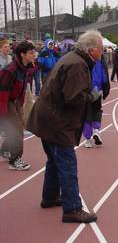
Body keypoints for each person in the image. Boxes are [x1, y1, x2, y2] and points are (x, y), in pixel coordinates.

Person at [26, 30, 103, 223]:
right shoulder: (78, 65)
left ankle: (50, 197)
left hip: (47, 118)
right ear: (92, 49)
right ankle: (72, 209)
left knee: (53, 160)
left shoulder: (72, 58)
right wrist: (91, 96)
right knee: (67, 164)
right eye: (101, 49)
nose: (102, 52)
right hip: (57, 122)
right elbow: (74, 98)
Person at [0, 41, 36, 170]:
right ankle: (14, 161)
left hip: (16, 102)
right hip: (7, 103)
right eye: (31, 53)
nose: (34, 55)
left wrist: (20, 104)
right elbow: (3, 92)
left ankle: (4, 150)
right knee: (17, 131)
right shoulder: (10, 70)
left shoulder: (25, 68)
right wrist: (3, 113)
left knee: (15, 128)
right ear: (22, 54)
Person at [83, 56, 109, 148]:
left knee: (87, 114)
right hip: (98, 89)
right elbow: (104, 75)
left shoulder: (84, 58)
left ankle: (88, 139)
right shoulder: (100, 59)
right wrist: (106, 89)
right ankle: (96, 130)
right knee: (97, 110)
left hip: (87, 90)